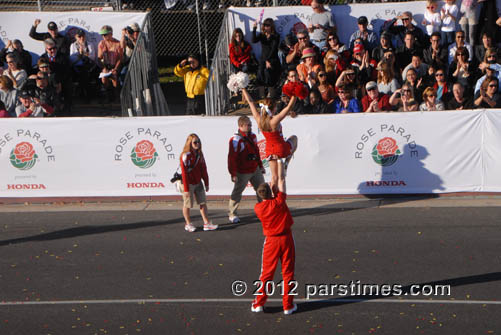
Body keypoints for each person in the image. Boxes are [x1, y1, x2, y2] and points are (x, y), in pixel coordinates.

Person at [252, 160, 296, 315]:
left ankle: (259, 303)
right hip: (286, 238)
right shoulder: (279, 201)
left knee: (267, 273)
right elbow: (281, 180)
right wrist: (280, 162)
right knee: (288, 272)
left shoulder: (258, 208)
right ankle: (288, 306)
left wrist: (272, 186)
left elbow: (273, 185)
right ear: (271, 192)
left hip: (271, 241)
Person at [241, 87, 298, 190]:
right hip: (281, 149)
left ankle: (274, 198)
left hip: (269, 150)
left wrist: (243, 89)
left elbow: (250, 102)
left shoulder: (260, 120)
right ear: (274, 108)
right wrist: (295, 94)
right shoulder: (274, 121)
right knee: (294, 138)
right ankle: (286, 163)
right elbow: (289, 107)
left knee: (274, 177)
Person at [227, 116, 265, 224]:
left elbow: (257, 152)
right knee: (237, 192)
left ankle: (264, 212)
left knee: (262, 190)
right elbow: (231, 158)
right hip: (242, 171)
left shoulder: (253, 136)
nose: (250, 126)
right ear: (241, 126)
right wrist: (233, 173)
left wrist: (260, 166)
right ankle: (232, 213)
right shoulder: (235, 139)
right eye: (248, 125)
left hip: (254, 168)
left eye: (250, 124)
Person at [180, 133, 218, 232]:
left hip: (198, 182)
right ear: (189, 143)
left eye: (198, 141)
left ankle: (207, 223)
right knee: (187, 204)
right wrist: (186, 189)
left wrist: (206, 183)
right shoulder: (185, 155)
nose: (197, 144)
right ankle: (188, 223)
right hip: (188, 183)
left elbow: (203, 169)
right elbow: (184, 173)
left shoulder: (200, 154)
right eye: (195, 142)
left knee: (203, 202)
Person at [39, 39, 71, 115]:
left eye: (54, 48)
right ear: (46, 49)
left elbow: (67, 71)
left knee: (68, 86)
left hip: (61, 79)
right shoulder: (43, 58)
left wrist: (58, 81)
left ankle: (66, 109)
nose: (53, 50)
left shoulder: (62, 57)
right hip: (47, 81)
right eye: (50, 49)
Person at [252, 18, 281, 99]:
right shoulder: (262, 35)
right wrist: (254, 28)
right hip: (263, 58)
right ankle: (261, 94)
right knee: (260, 73)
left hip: (272, 59)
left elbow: (273, 49)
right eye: (264, 25)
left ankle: (271, 93)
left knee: (268, 72)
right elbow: (253, 40)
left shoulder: (276, 36)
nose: (265, 27)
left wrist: (268, 60)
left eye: (267, 25)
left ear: (271, 26)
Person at [70, 29, 98, 100]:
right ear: (76, 37)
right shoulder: (73, 45)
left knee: (86, 73)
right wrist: (80, 55)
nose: (81, 38)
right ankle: (83, 94)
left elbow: (92, 57)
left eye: (83, 36)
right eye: (79, 37)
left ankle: (87, 95)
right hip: (77, 67)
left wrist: (84, 54)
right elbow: (72, 58)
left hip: (88, 66)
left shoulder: (89, 44)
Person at [98, 25, 123, 102]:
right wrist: (104, 68)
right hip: (106, 66)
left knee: (114, 77)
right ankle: (107, 97)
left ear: (110, 34)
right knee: (104, 78)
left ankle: (117, 98)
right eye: (102, 35)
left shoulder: (117, 43)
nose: (103, 36)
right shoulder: (101, 44)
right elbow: (99, 58)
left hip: (115, 65)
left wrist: (115, 68)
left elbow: (120, 58)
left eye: (105, 34)